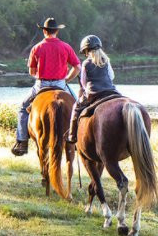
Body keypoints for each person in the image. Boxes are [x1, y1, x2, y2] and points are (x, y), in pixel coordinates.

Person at [11, 17, 81, 156]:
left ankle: (22, 141)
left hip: (41, 84)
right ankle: (78, 140)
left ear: (44, 31)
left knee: (23, 108)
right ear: (56, 31)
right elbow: (77, 67)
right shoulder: (66, 47)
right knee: (78, 108)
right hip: (61, 84)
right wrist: (67, 78)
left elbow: (32, 72)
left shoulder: (37, 47)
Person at [66, 35, 119, 144]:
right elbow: (112, 76)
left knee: (76, 108)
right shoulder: (106, 60)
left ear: (86, 51)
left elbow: (84, 83)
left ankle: (72, 136)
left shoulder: (86, 63)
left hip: (92, 94)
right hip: (110, 91)